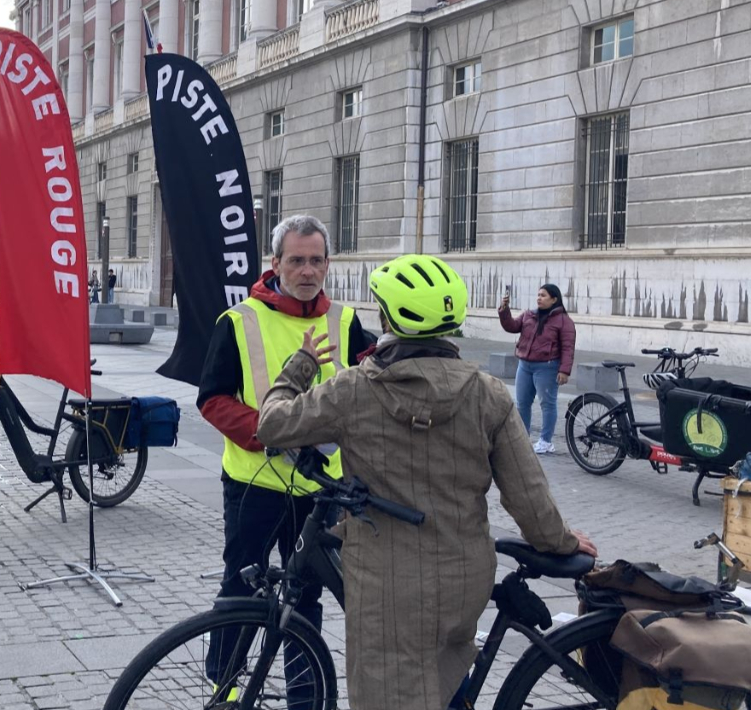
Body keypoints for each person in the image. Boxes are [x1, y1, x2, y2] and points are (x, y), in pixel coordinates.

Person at [256, 254, 597, 710]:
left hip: (385, 581)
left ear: (386, 317)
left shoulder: (354, 390)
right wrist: (561, 541)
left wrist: (299, 365)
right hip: (464, 576)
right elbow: (528, 496)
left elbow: (272, 425)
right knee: (444, 671)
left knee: (389, 690)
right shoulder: (487, 393)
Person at [196, 215, 373, 688]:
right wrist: (273, 432)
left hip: (321, 491)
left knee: (306, 598)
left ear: (328, 264)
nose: (307, 271)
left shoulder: (348, 323)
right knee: (240, 590)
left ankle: (304, 697)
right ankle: (225, 687)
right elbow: (212, 400)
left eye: (316, 261)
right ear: (275, 263)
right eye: (296, 261)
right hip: (256, 484)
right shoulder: (239, 320)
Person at [499, 283, 576, 454]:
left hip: (547, 367)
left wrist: (564, 370)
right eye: (538, 294)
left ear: (554, 299)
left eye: (543, 295)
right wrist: (504, 311)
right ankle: (522, 438)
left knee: (547, 404)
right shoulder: (529, 315)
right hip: (525, 365)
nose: (539, 298)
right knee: (522, 403)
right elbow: (511, 326)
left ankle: (546, 441)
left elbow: (568, 348)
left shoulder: (564, 321)